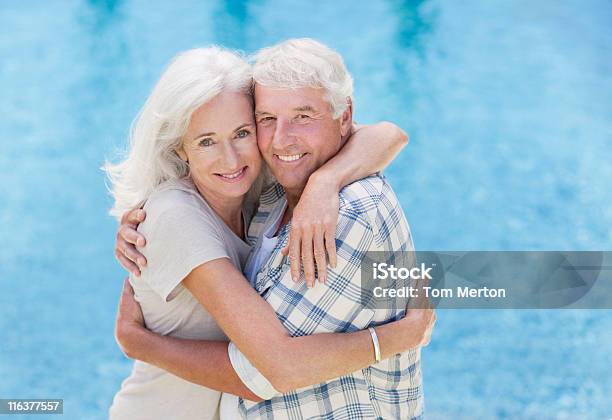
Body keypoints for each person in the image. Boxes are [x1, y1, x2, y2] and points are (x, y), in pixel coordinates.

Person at [109, 44, 434, 420]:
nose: (231, 159)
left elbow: (388, 134)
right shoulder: (181, 216)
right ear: (180, 147)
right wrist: (399, 337)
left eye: (242, 132)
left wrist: (326, 182)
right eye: (206, 141)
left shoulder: (272, 190)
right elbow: (274, 367)